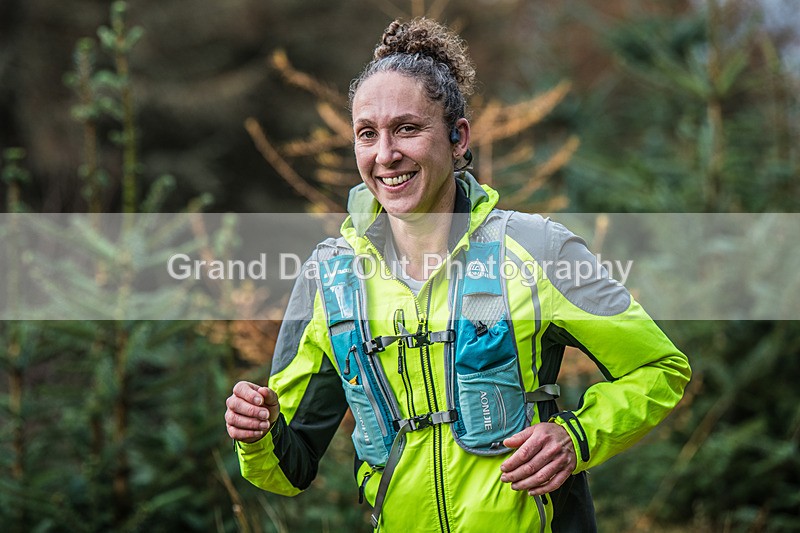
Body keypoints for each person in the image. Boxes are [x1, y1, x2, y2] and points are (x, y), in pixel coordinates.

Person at [225, 18, 691, 532]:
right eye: (367, 134)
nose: (385, 155)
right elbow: (289, 470)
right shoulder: (329, 280)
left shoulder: (538, 249)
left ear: (457, 136)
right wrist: (257, 434)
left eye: (407, 128)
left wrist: (576, 437)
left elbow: (659, 369)